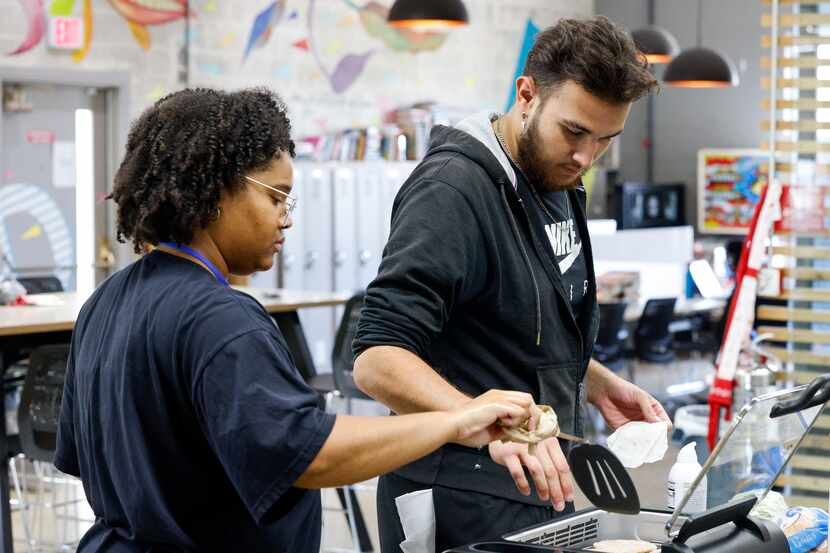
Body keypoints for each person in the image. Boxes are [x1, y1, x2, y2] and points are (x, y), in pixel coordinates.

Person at [54, 87, 539, 553]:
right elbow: (312, 453)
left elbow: (90, 458)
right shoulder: (221, 318)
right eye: (275, 197)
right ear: (214, 191)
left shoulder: (106, 301)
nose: (285, 218)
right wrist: (454, 420)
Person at [352, 16, 671, 552]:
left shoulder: (558, 177)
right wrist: (484, 423)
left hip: (542, 485)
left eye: (605, 141)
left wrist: (592, 380)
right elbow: (377, 359)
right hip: (454, 490)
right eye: (573, 132)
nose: (585, 158)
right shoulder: (451, 191)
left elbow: (516, 324)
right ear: (527, 94)